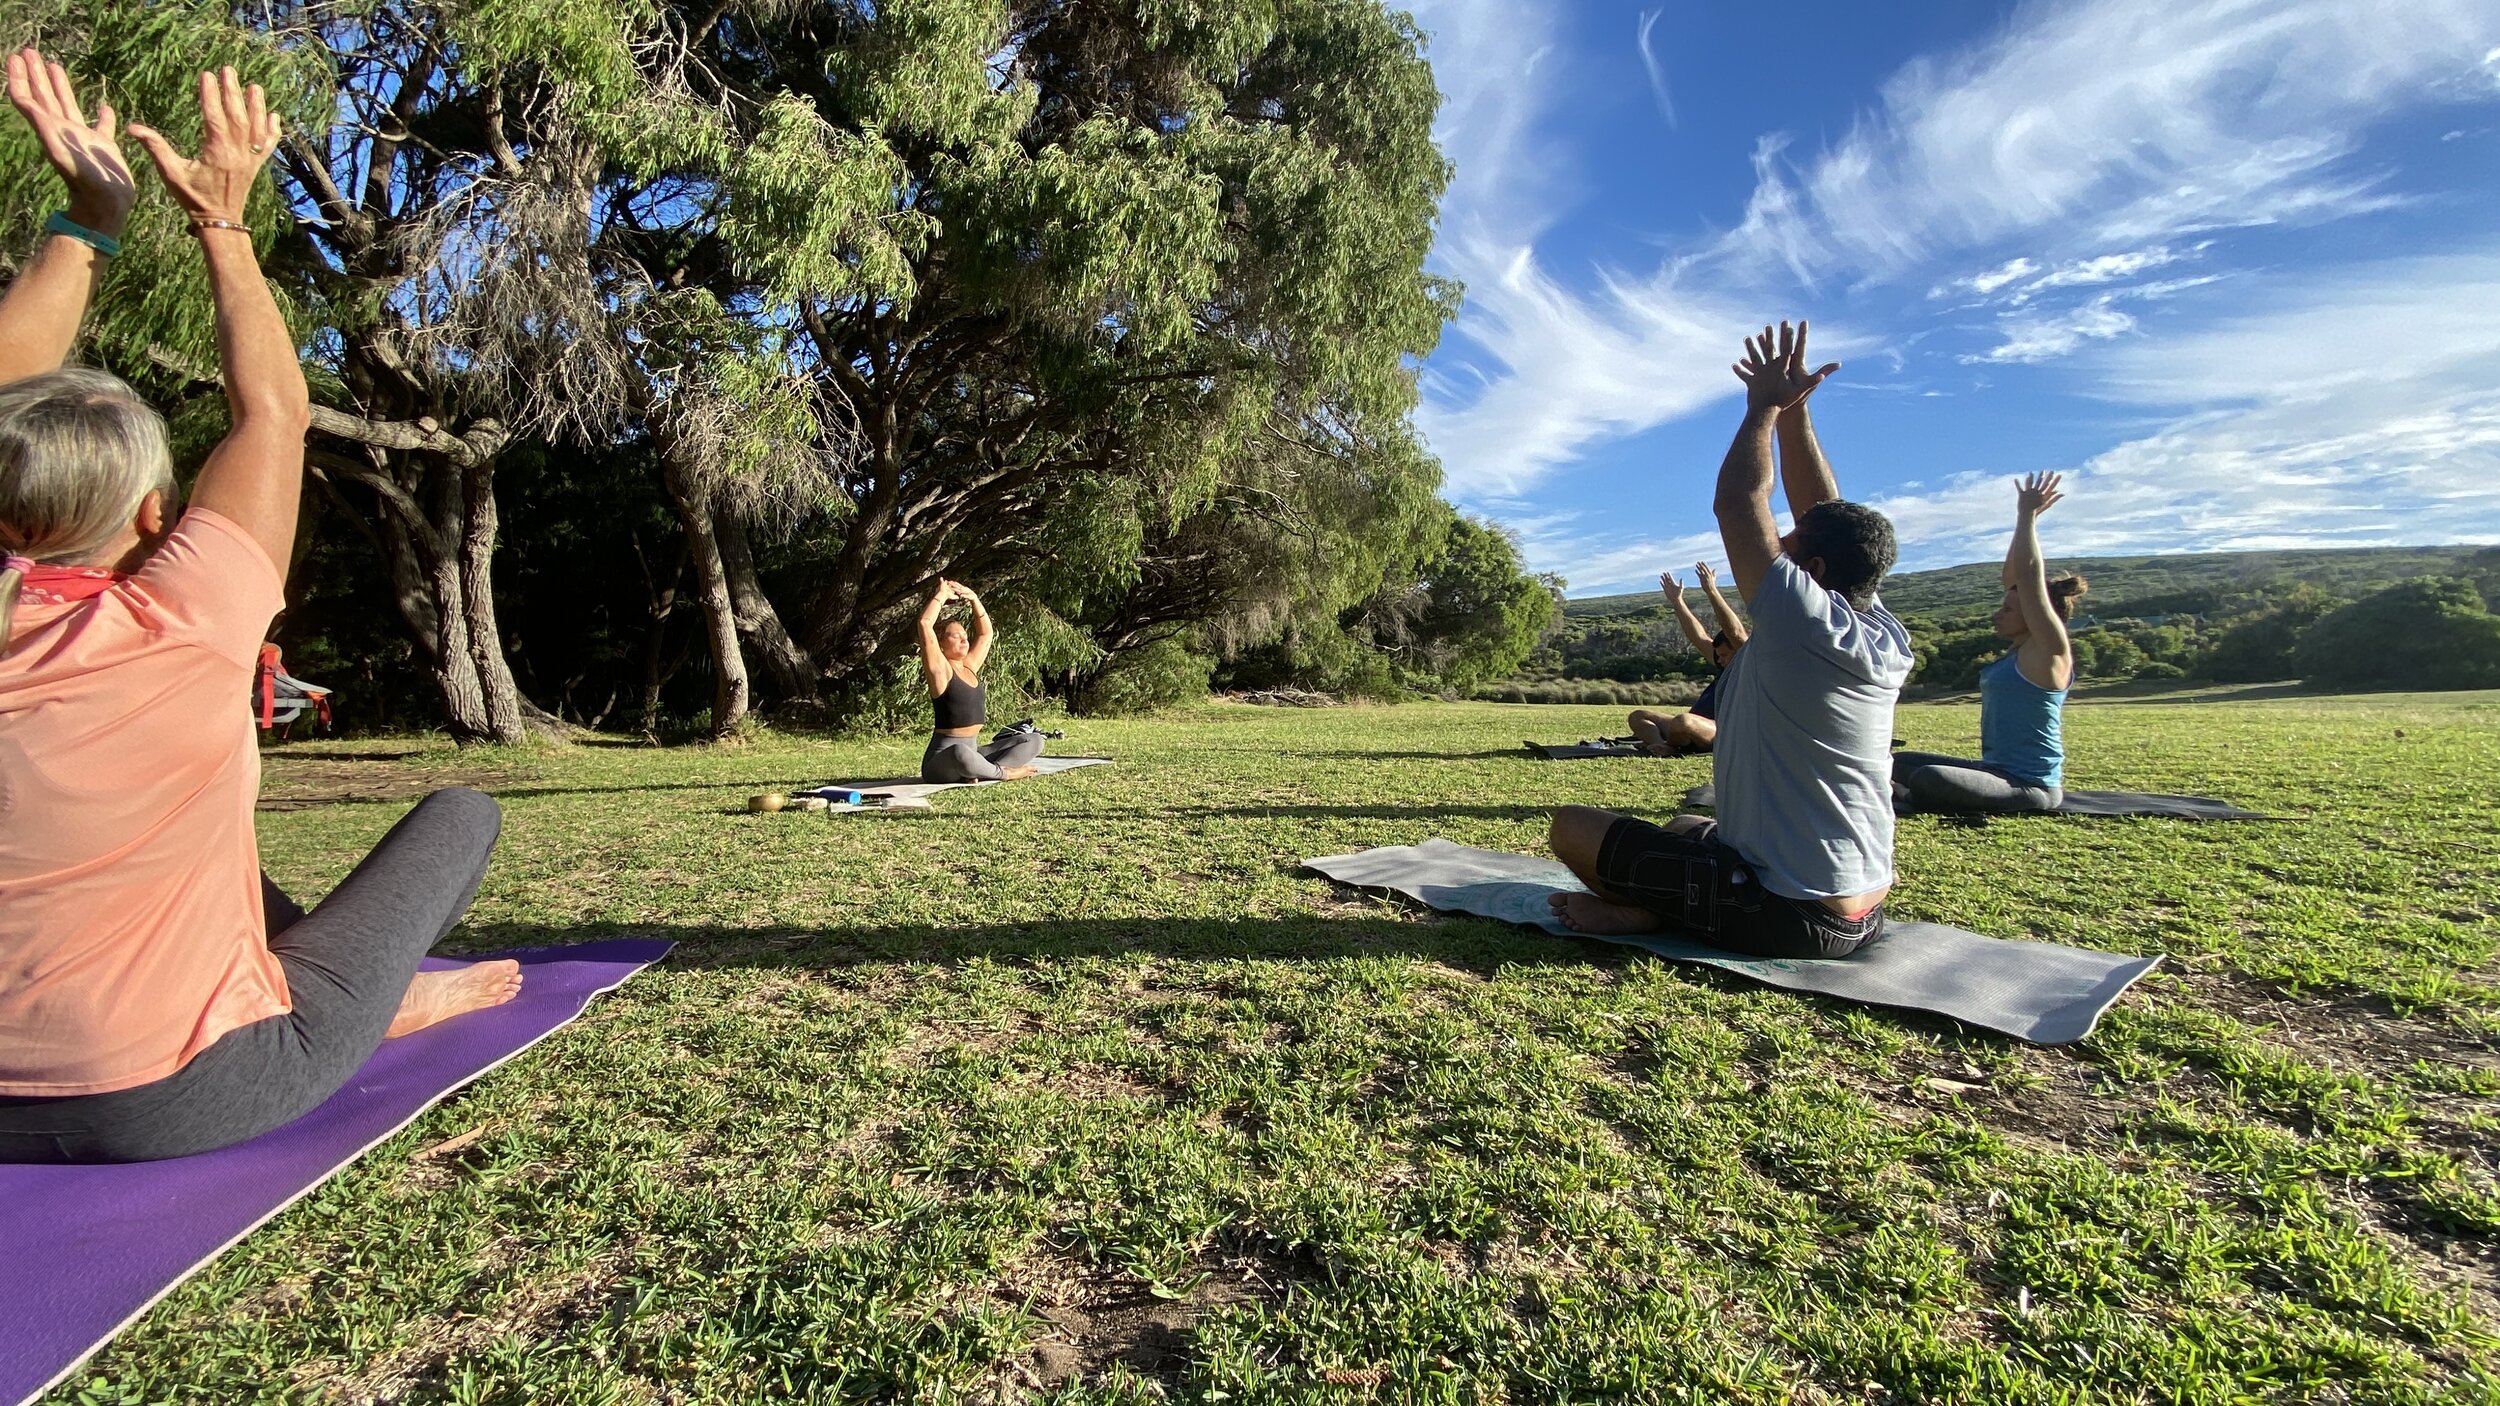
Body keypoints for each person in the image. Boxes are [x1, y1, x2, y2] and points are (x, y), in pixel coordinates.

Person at [0, 58, 516, 1164]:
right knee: (463, 812)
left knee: (196, 820)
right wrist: (223, 224)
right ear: (154, 513)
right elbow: (275, 411)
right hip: (183, 1092)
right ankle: (368, 1003)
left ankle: (313, 982)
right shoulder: (184, 618)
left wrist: (85, 223)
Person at [1546, 321, 1912, 958]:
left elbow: (1739, 502)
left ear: (1814, 574)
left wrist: (1764, 409)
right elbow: (1823, 515)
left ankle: (1644, 916)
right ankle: (1657, 905)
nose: (1778, 556)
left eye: (1790, 554)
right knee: (1690, 824)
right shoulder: (1876, 626)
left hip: (1787, 914)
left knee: (1571, 828)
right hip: (1862, 908)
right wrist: (1798, 414)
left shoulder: (1803, 620)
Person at [1892, 473, 2083, 813]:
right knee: (1898, 761)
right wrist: (2027, 521)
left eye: (2008, 609)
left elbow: (2027, 577)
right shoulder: (2020, 651)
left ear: (2039, 613)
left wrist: (2025, 515)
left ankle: (1906, 795)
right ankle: (1902, 788)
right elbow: (2014, 578)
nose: (1998, 615)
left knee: (1929, 777)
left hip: (2030, 787)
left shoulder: (2049, 651)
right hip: (1993, 773)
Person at [917, 577, 1042, 782]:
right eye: (956, 636)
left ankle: (980, 771)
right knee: (960, 753)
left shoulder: (969, 666)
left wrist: (974, 599)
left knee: (1034, 740)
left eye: (965, 634)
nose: (964, 639)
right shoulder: (940, 670)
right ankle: (1002, 773)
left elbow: (986, 634)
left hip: (973, 751)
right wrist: (941, 596)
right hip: (942, 761)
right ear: (940, 645)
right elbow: (924, 623)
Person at [1626, 561, 1747, 755]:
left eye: (1725, 655)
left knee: (1683, 721)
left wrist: (1711, 591)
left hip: (1720, 731)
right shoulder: (1722, 664)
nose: (1721, 660)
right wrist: (1677, 601)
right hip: (1689, 724)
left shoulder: (1747, 662)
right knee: (1639, 716)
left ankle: (1672, 746)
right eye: (1719, 655)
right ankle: (1659, 745)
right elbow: (1698, 637)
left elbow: (1735, 631)